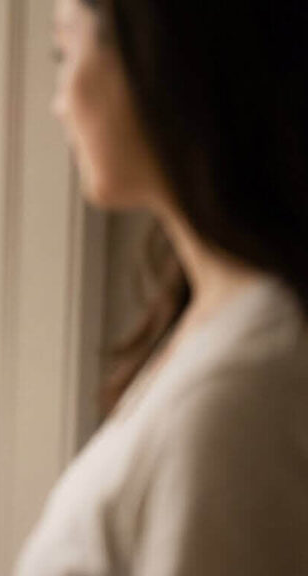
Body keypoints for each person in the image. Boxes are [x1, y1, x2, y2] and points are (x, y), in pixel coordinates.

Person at [17, 0, 308, 574]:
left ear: (154, 63)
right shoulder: (224, 316)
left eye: (64, 50)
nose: (57, 104)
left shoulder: (240, 398)